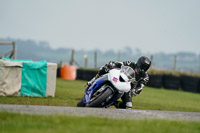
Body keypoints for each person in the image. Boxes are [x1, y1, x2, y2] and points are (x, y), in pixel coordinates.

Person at [84, 56, 151, 109]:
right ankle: (93, 80)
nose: (141, 69)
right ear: (138, 63)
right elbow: (120, 64)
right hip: (118, 78)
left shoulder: (145, 77)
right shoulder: (129, 64)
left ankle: (115, 103)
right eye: (141, 66)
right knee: (104, 69)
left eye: (144, 68)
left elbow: (140, 87)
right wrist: (112, 65)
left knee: (128, 106)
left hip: (127, 89)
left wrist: (135, 91)